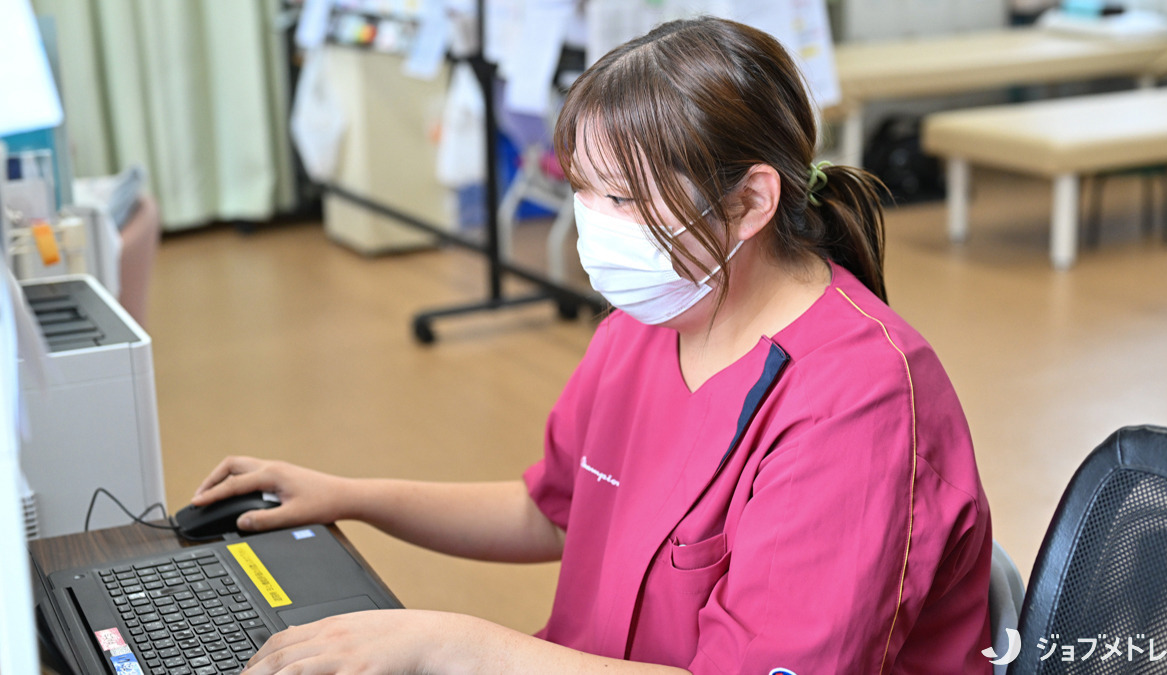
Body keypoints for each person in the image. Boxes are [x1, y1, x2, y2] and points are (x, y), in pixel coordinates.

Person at [192, 17, 992, 674]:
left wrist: (454, 645)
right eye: (583, 190)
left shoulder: (858, 401)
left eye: (622, 197)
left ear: (750, 200)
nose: (594, 225)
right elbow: (555, 511)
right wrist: (349, 495)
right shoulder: (644, 327)